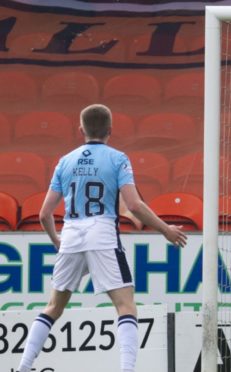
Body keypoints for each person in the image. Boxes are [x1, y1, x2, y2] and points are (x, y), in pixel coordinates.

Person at [17, 104, 187, 372]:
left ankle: (23, 366)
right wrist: (165, 229)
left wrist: (56, 241)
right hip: (103, 234)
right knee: (125, 305)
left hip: (71, 234)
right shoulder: (118, 158)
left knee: (52, 307)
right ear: (110, 130)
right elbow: (133, 205)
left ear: (80, 129)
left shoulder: (65, 161)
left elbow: (44, 214)